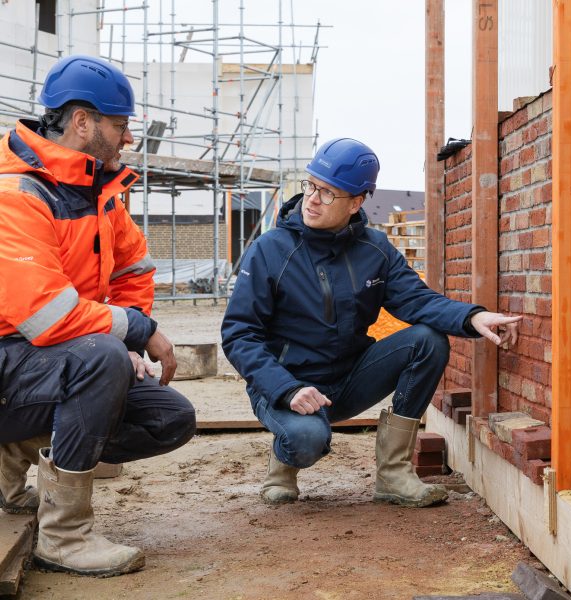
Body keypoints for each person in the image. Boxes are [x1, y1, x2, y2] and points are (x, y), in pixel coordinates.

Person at [222, 138, 521, 508]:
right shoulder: (271, 250)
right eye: (311, 185)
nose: (312, 199)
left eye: (328, 193)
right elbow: (239, 335)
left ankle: (393, 474)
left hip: (346, 381)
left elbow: (418, 301)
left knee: (428, 340)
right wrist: (285, 389)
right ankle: (285, 460)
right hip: (286, 386)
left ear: (357, 202)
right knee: (306, 440)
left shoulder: (375, 250)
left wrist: (474, 316)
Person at [0, 55, 196, 577]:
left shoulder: (98, 191)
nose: (128, 137)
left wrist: (127, 344)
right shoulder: (15, 194)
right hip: (11, 357)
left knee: (170, 418)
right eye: (120, 124)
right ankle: (63, 536)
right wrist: (134, 334)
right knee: (101, 357)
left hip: (54, 357)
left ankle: (15, 452)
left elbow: (134, 269)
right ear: (83, 122)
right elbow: (44, 317)